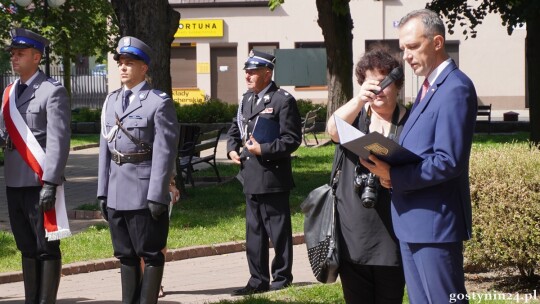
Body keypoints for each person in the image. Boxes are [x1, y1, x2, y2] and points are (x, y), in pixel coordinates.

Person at [359, 9, 477, 303]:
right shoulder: (427, 88)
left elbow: (448, 161)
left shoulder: (455, 88)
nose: (406, 56)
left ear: (437, 43)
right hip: (413, 222)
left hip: (435, 225)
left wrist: (393, 175)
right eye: (403, 49)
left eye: (413, 47)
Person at [97, 36, 180, 303]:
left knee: (152, 253)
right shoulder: (110, 101)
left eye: (129, 63)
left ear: (144, 68)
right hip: (117, 192)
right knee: (125, 255)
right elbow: (105, 150)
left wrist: (158, 194)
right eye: (120, 62)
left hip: (144, 191)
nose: (122, 67)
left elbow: (165, 151)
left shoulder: (158, 102)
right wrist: (102, 192)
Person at [326, 48, 407, 303]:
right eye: (371, 84)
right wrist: (359, 99)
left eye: (384, 82)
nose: (379, 91)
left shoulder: (411, 121)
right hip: (354, 234)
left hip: (394, 230)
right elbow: (333, 131)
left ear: (398, 85)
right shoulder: (355, 117)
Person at [0, 28, 71, 303]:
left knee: (46, 247)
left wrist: (51, 182)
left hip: (39, 181)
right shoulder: (8, 93)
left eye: (20, 54)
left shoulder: (52, 92)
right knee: (26, 247)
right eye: (12, 54)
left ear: (36, 57)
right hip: (14, 181)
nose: (14, 59)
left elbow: (59, 141)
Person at [227, 50, 302, 296]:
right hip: (250, 175)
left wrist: (264, 149)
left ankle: (281, 278)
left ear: (267, 73)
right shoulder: (246, 99)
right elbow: (234, 130)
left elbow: (292, 139)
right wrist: (231, 150)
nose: (247, 76)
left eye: (252, 72)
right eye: (246, 72)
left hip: (272, 177)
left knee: (278, 232)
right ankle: (257, 280)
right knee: (255, 233)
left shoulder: (282, 100)